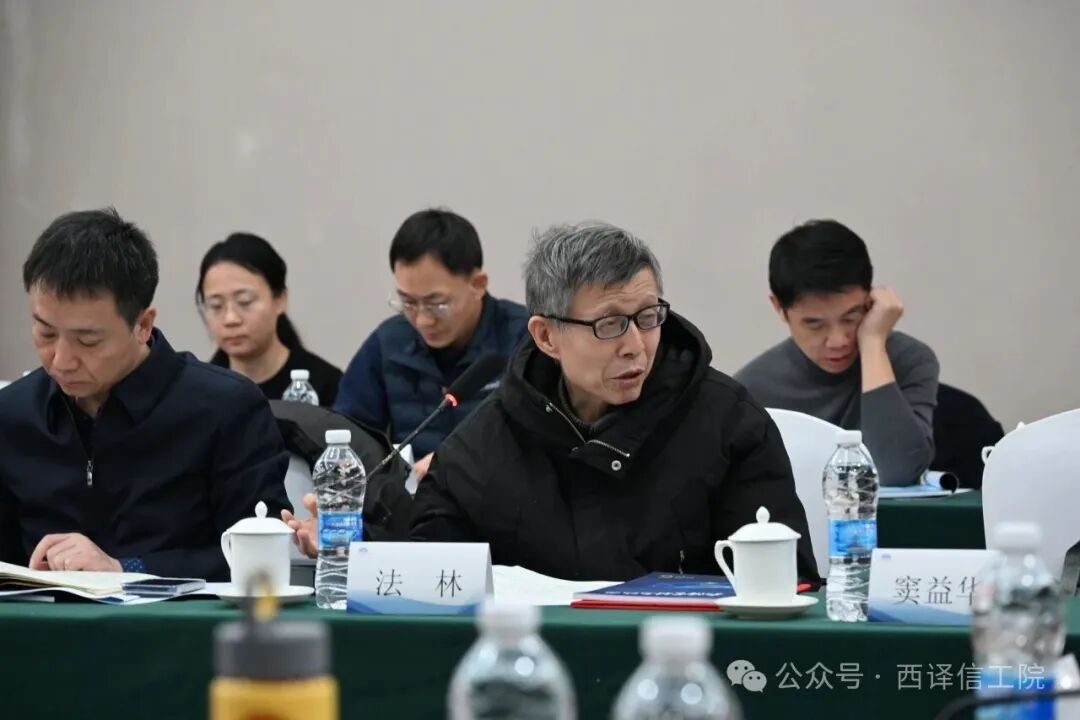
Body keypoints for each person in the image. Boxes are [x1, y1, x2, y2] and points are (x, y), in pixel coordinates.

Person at [288, 222, 818, 583]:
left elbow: (788, 578)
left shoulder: (727, 421)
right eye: (609, 325)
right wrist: (358, 547)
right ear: (546, 337)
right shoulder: (488, 442)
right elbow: (433, 570)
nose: (636, 345)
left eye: (648, 317)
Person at [0, 208, 290, 580]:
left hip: (179, 617)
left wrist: (125, 569)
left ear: (143, 324)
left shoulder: (225, 408)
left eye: (87, 341)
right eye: (46, 333)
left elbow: (262, 557)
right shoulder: (13, 414)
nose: (61, 360)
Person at [735, 219, 939, 487]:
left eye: (851, 317)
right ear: (779, 308)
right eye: (814, 324)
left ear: (870, 300)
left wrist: (873, 343)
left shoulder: (909, 360)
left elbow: (897, 471)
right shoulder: (751, 390)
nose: (838, 341)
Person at [334, 208, 528, 478]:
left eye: (437, 304)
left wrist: (457, 461)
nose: (423, 320)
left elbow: (540, 442)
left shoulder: (524, 339)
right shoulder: (389, 342)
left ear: (478, 284)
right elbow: (349, 432)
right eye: (408, 303)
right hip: (413, 494)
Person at [198, 232, 342, 406]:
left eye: (244, 301)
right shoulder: (199, 391)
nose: (230, 319)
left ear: (280, 299)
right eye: (216, 306)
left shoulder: (326, 387)